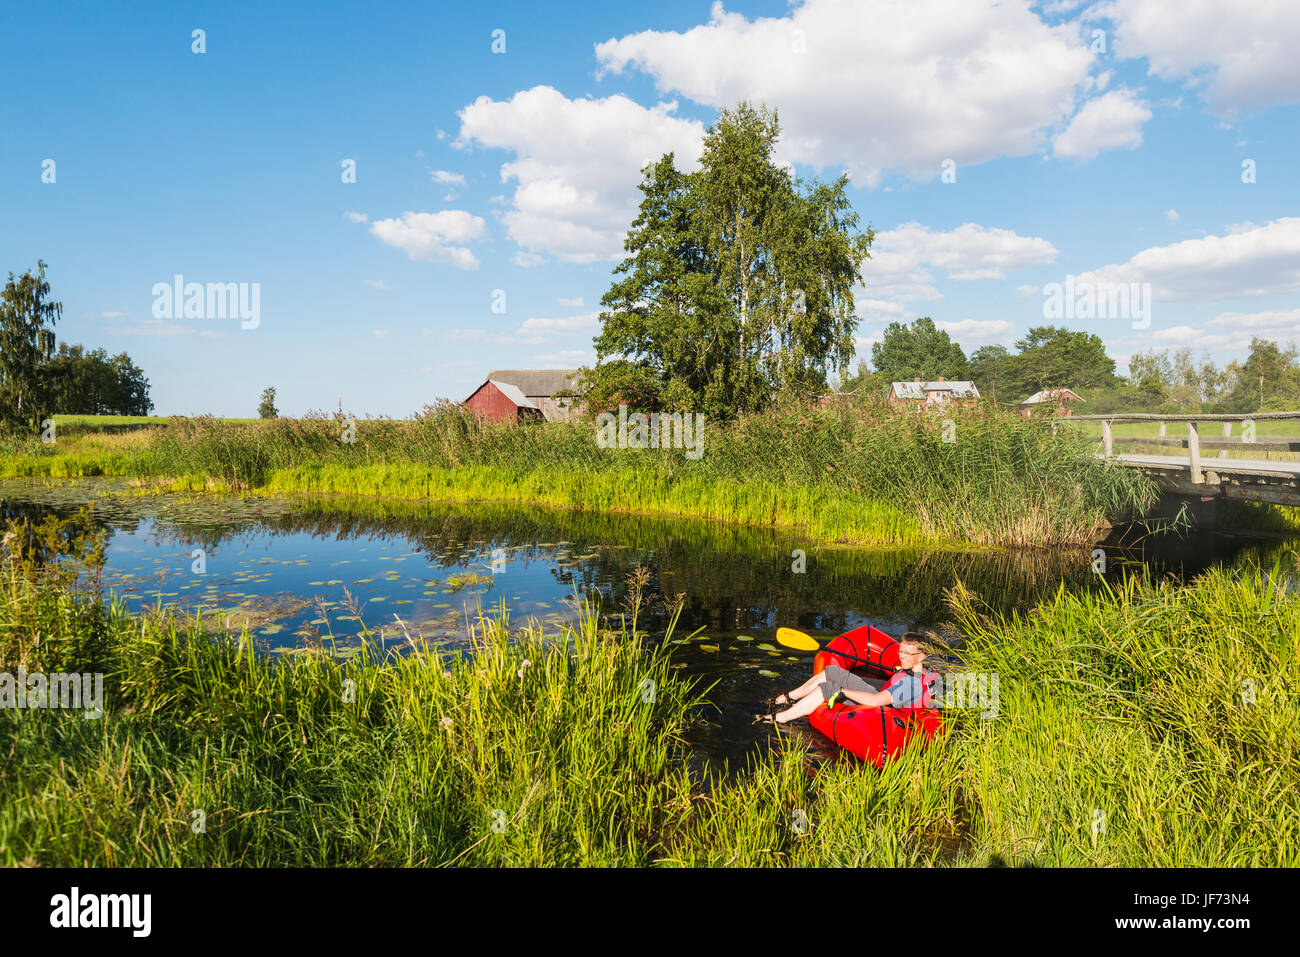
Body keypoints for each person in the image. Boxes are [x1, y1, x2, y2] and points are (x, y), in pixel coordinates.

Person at [756, 637, 936, 724]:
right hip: (886, 694)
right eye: (901, 651)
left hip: (882, 707)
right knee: (832, 671)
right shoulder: (919, 671)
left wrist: (843, 692)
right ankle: (788, 697)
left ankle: (780, 718)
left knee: (828, 688)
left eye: (907, 654)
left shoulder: (910, 684)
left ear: (921, 656)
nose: (901, 657)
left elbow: (876, 700)